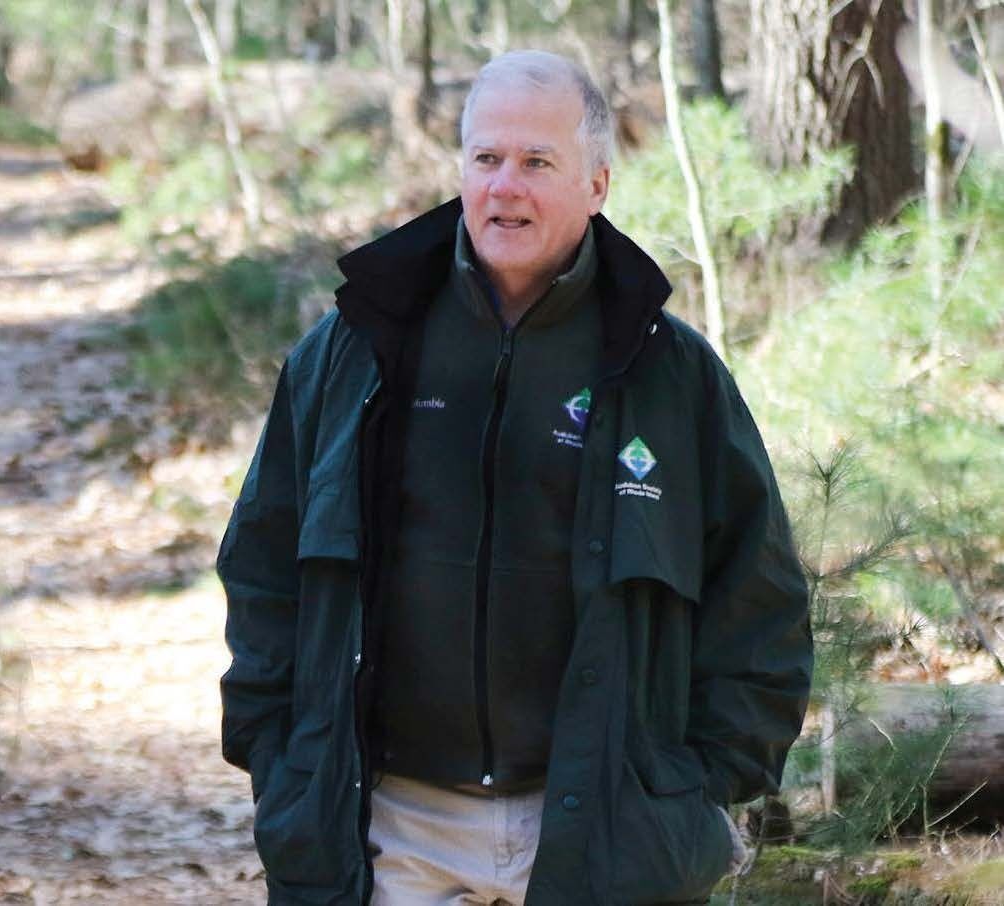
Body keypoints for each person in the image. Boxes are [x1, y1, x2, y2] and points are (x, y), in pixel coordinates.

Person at [216, 49, 812, 905]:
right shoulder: (355, 348)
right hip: (384, 827)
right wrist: (283, 765)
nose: (506, 187)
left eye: (538, 163)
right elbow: (264, 563)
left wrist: (694, 794)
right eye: (486, 159)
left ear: (598, 183)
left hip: (601, 833)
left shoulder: (667, 373)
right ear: (460, 168)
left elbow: (759, 597)